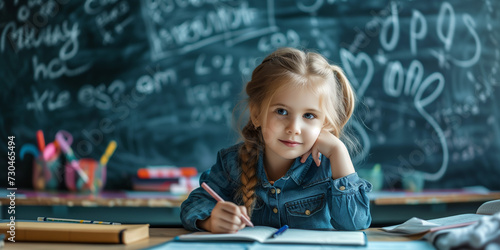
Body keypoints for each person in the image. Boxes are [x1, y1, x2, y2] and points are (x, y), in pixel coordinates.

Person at [181, 47, 372, 233]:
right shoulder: (231, 163)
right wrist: (210, 220)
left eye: (309, 115)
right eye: (281, 111)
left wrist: (339, 151)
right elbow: (193, 205)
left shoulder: (329, 167)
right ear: (256, 114)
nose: (293, 128)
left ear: (325, 124)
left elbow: (356, 223)